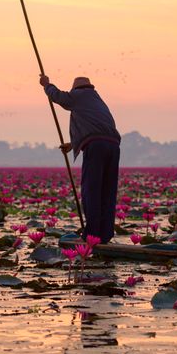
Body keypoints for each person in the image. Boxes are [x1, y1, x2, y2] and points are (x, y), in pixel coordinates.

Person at [39, 74, 121, 244]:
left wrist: (46, 85)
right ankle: (104, 235)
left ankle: (91, 235)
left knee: (92, 190)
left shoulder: (79, 95)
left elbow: (59, 97)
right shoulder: (97, 100)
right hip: (113, 147)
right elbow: (96, 129)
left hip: (97, 147)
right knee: (107, 191)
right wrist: (72, 144)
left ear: (75, 89)